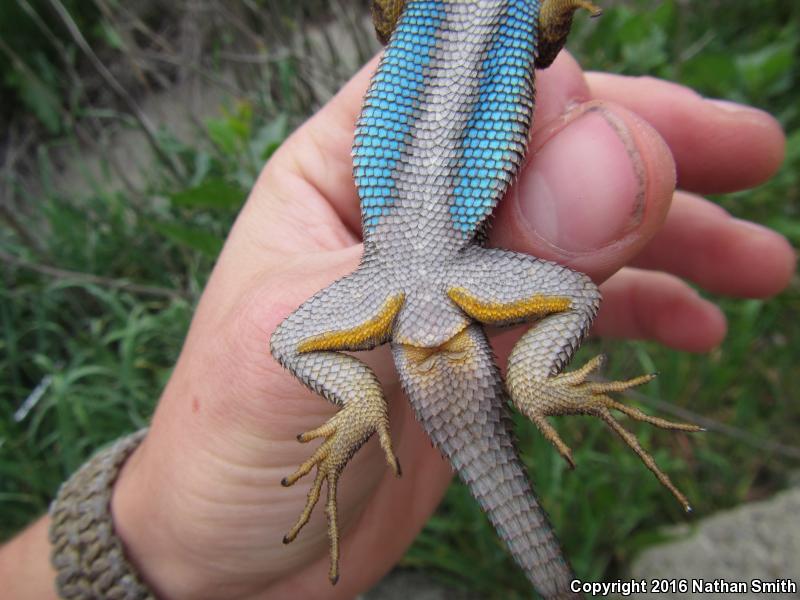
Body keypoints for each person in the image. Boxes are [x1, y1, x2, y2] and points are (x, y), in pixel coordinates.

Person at [1, 52, 793, 600]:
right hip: (425, 274)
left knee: (562, 295)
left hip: (404, 279)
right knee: (573, 294)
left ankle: (498, 386)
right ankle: (524, 383)